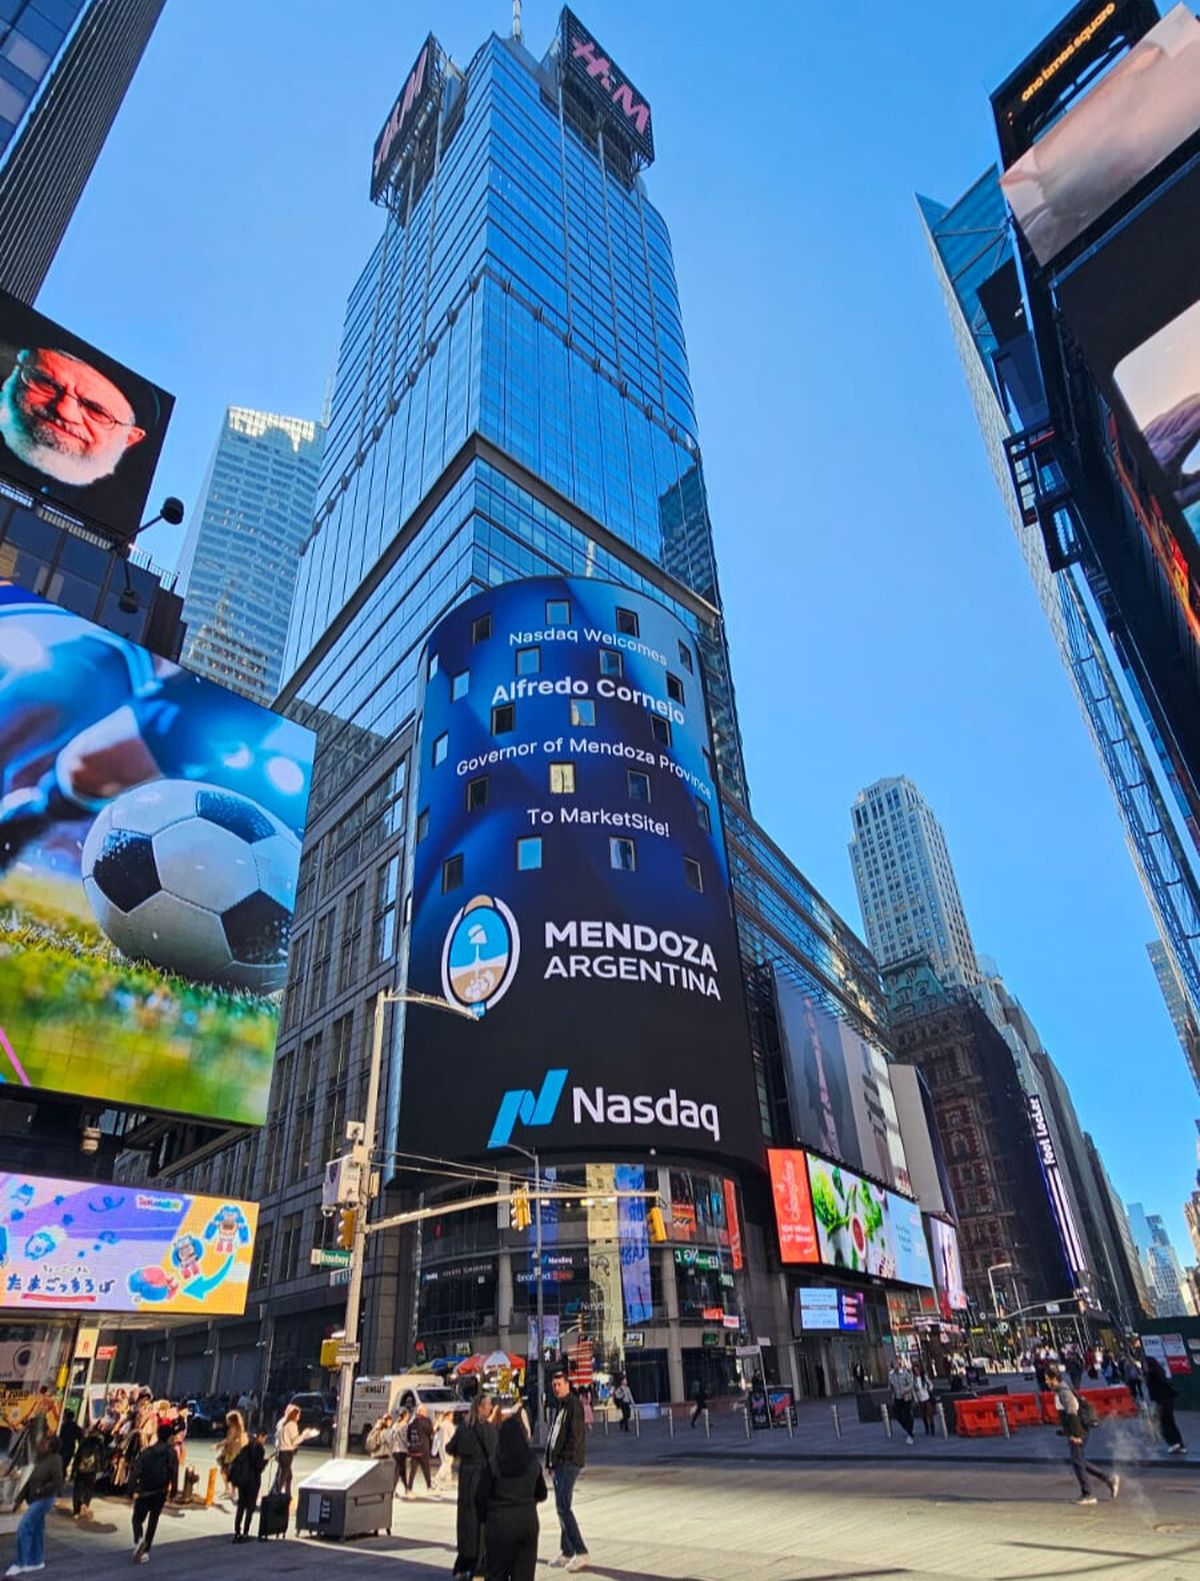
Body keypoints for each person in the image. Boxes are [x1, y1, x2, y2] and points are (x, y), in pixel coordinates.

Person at [0, 344, 148, 500]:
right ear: (16, 374)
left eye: (95, 410)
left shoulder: (116, 515)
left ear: (130, 438)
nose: (64, 411)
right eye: (48, 384)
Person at [475, 1415, 547, 1581]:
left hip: (499, 1526)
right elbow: (542, 1493)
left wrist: (485, 1518)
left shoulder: (493, 1465)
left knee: (497, 1573)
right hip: (527, 1524)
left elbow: (480, 1498)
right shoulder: (532, 1464)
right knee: (524, 1574)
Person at [1047, 1365, 1117, 1505]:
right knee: (1078, 1461)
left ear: (1054, 1379)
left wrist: (1076, 1434)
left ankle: (1088, 1493)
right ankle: (1108, 1479)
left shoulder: (1063, 1392)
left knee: (1077, 1461)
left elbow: (1072, 1412)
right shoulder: (1060, 1391)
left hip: (1079, 1431)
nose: (1046, 1382)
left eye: (1047, 1379)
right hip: (1076, 1431)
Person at [448, 1395, 499, 1580]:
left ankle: (463, 1561)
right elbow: (494, 1455)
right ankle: (478, 1564)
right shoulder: (486, 1428)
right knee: (481, 1520)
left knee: (465, 1520)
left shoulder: (463, 1427)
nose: (491, 1407)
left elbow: (450, 1447)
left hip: (465, 1477)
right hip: (481, 1477)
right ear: (480, 1408)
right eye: (489, 1405)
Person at [545, 1370, 588, 1572]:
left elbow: (574, 1436)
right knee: (562, 1506)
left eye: (559, 1384)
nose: (556, 1388)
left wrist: (563, 1459)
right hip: (559, 1464)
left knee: (563, 1506)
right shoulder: (560, 1406)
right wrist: (549, 1460)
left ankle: (580, 1551)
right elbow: (554, 1436)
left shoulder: (573, 1405)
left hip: (569, 1463)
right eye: (554, 1385)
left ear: (567, 1385)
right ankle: (567, 1551)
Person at [6, 1434, 63, 1578]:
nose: (41, 1444)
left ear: (51, 1447)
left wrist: (40, 1490)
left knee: (24, 1528)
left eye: (45, 1443)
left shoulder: (55, 1460)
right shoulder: (42, 1459)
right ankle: (37, 1561)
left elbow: (57, 1482)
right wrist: (19, 1500)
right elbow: (31, 1481)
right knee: (37, 1530)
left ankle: (22, 1563)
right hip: (36, 1498)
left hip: (44, 1499)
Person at [130, 1423, 176, 1563]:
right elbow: (174, 1472)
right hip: (161, 1491)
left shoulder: (146, 1452)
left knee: (137, 1518)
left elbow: (135, 1471)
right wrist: (173, 1491)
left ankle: (138, 1539)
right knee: (153, 1519)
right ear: (169, 1437)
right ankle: (146, 1550)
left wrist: (131, 1489)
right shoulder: (171, 1452)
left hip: (144, 1490)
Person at [229, 1428, 268, 1542]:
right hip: (253, 1482)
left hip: (243, 1481)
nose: (264, 1440)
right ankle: (246, 1532)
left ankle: (237, 1531)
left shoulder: (246, 1447)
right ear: (261, 1436)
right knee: (250, 1508)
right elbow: (258, 1466)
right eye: (264, 1438)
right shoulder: (260, 1448)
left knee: (241, 1506)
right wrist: (265, 1462)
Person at [272, 1404, 316, 1500]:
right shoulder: (292, 1425)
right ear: (294, 1415)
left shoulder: (282, 1422)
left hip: (280, 1451)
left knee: (286, 1474)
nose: (299, 1417)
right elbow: (295, 1440)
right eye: (298, 1415)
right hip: (287, 1452)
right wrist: (304, 1435)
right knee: (283, 1476)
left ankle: (286, 1494)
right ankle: (278, 1495)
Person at [1145, 1355, 1187, 1453]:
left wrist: (1156, 1403)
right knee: (1170, 1422)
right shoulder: (1159, 1372)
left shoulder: (1152, 1375)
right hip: (1167, 1400)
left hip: (1161, 1401)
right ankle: (1180, 1444)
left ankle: (1174, 1443)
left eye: (1145, 1364)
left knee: (1163, 1423)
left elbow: (1154, 1390)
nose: (1144, 1366)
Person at [72, 1420, 105, 1519]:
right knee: (89, 1488)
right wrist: (101, 1468)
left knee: (78, 1489)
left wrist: (74, 1468)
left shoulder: (84, 1442)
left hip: (81, 1469)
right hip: (92, 1470)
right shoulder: (99, 1444)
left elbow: (78, 1456)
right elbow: (102, 1457)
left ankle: (76, 1511)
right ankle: (85, 1503)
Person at [404, 1405, 435, 1497]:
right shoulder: (426, 1421)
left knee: (413, 1470)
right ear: (421, 1411)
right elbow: (430, 1432)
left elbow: (408, 1435)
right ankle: (429, 1487)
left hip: (414, 1449)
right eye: (425, 1411)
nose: (426, 1413)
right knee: (426, 1469)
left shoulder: (412, 1422)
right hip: (423, 1449)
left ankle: (409, 1488)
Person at [217, 1409, 247, 1502]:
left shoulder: (233, 1429)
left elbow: (229, 1440)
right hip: (234, 1453)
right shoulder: (239, 1429)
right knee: (229, 1472)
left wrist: (219, 1445)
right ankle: (231, 1491)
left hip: (231, 1453)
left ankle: (229, 1490)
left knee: (225, 1471)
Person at [887, 1358, 916, 1445]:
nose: (895, 1365)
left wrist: (905, 1390)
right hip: (897, 1397)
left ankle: (910, 1435)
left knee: (907, 1414)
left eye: (897, 1364)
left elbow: (911, 1384)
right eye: (894, 1364)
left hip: (906, 1397)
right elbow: (890, 1386)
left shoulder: (904, 1373)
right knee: (897, 1415)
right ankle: (908, 1428)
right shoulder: (891, 1375)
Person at [912, 1365, 935, 1436]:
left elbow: (931, 1384)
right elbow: (913, 1390)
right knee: (923, 1414)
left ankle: (932, 1428)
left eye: (917, 1370)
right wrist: (915, 1399)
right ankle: (927, 1427)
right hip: (920, 1398)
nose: (917, 1371)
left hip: (926, 1397)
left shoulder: (924, 1377)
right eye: (915, 1370)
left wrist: (929, 1389)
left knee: (930, 1413)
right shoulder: (913, 1379)